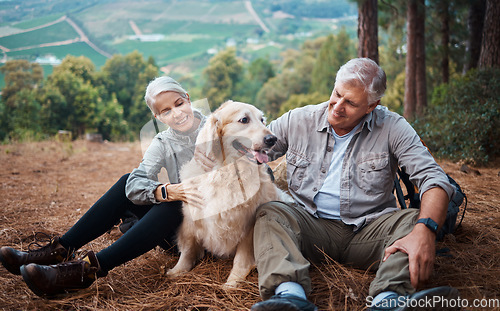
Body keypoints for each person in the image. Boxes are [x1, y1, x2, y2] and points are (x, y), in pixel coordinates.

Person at [249, 58, 460, 311]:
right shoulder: (298, 120)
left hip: (370, 231)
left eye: (350, 103)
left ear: (372, 106)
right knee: (270, 213)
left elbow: (433, 179)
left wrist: (426, 229)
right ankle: (289, 298)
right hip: (309, 227)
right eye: (337, 94)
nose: (337, 107)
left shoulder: (393, 127)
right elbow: (251, 152)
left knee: (412, 221)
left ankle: (388, 301)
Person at [0, 76, 206, 297]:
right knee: (129, 182)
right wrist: (164, 191)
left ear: (188, 98)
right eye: (165, 111)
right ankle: (60, 251)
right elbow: (135, 184)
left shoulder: (219, 127)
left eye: (179, 104)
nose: (176, 113)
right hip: (179, 236)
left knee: (174, 204)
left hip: (214, 234)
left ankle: (85, 272)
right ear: (158, 117)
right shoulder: (163, 142)